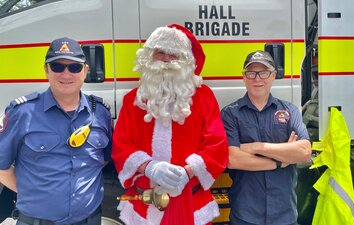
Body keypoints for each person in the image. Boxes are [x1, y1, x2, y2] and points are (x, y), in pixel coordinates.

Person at [111, 24, 228, 225]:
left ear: (186, 61)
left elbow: (217, 145)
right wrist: (150, 168)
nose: (166, 59)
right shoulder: (133, 100)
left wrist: (187, 171)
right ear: (149, 57)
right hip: (144, 206)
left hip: (191, 206)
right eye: (160, 53)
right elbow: (121, 145)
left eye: (174, 55)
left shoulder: (203, 97)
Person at [0, 37, 113, 225]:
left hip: (90, 220)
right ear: (46, 70)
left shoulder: (100, 112)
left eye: (75, 67)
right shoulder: (23, 112)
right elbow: (2, 166)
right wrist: (32, 190)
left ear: (85, 71)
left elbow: (104, 158)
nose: (66, 74)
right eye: (58, 67)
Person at [221, 50, 312, 225]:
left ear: (273, 76)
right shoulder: (230, 114)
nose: (257, 78)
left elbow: (304, 152)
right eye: (251, 73)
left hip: (284, 214)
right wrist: (280, 161)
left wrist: (255, 147)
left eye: (263, 72)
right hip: (246, 215)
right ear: (244, 77)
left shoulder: (289, 111)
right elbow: (233, 159)